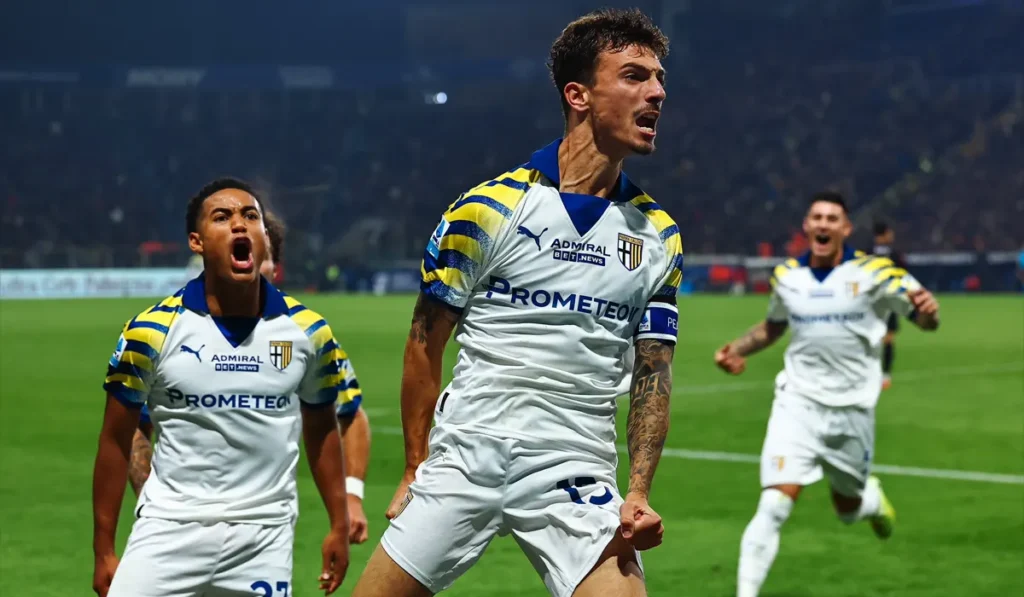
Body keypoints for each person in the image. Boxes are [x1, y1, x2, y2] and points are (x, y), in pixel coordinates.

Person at [350, 8, 681, 597]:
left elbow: (654, 373)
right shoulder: (486, 210)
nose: (657, 92)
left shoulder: (659, 236)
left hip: (574, 469)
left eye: (659, 78)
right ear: (578, 95)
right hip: (467, 454)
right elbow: (424, 343)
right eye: (634, 76)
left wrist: (638, 492)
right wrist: (414, 465)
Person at [92, 178, 351, 597]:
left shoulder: (309, 332)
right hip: (167, 530)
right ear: (196, 241)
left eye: (251, 216)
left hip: (263, 537)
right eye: (222, 217)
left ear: (264, 237)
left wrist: (339, 523)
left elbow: (322, 428)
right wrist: (103, 549)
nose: (239, 224)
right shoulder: (150, 332)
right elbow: (115, 438)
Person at [714, 192, 940, 597]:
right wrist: (737, 349)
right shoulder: (787, 276)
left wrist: (928, 312)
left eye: (832, 218)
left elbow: (924, 320)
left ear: (846, 228)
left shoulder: (876, 272)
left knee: (847, 510)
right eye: (816, 217)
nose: (823, 224)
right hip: (797, 403)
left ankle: (871, 501)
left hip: (853, 409)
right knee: (774, 505)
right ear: (806, 226)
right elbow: (773, 326)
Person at [127, 209, 374, 544]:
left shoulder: (305, 336)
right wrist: (149, 499)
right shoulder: (175, 332)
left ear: (275, 266)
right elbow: (133, 425)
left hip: (262, 529)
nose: (254, 262)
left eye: (264, 254)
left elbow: (351, 414)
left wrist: (352, 496)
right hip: (176, 523)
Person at [870, 221, 907, 389]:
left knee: (871, 338)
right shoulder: (895, 255)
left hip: (871, 301)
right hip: (890, 300)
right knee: (888, 338)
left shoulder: (866, 254)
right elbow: (902, 276)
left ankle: (869, 373)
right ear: (885, 234)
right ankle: (885, 375)